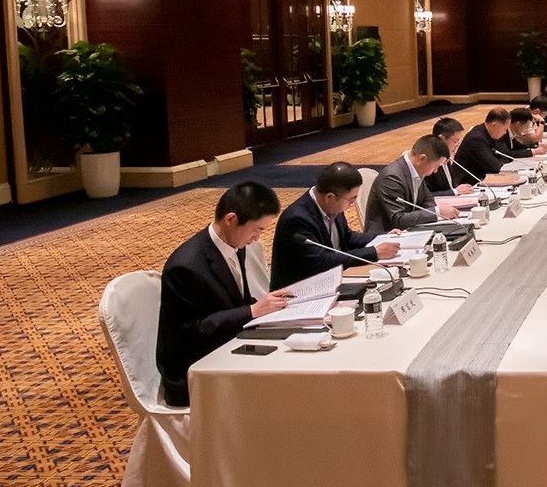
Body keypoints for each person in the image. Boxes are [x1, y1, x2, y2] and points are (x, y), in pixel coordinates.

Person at [157, 182, 292, 407]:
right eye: (257, 229)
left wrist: (271, 306)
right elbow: (189, 333)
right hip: (194, 372)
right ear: (230, 219)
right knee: (280, 387)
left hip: (228, 345)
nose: (257, 238)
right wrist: (252, 310)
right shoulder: (186, 266)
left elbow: (233, 301)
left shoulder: (234, 244)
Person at [270, 162, 402, 288]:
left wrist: (384, 236)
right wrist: (374, 253)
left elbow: (347, 238)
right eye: (351, 200)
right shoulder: (297, 219)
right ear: (330, 197)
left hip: (329, 281)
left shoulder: (332, 205)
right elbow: (321, 261)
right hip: (298, 292)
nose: (351, 205)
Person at [364, 134, 459, 234]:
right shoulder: (392, 177)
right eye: (436, 166)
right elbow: (399, 219)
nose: (435, 171)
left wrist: (425, 213)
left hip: (409, 231)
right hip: (384, 236)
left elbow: (428, 200)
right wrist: (437, 212)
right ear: (422, 158)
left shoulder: (418, 171)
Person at [454, 108, 513, 182]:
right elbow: (494, 167)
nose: (505, 133)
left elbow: (504, 156)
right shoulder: (476, 139)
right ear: (494, 125)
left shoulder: (489, 133)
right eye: (504, 129)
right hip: (467, 182)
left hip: (480, 177)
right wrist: (498, 161)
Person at [425, 117, 475, 197]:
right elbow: (425, 196)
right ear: (442, 139)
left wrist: (459, 190)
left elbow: (450, 187)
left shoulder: (446, 158)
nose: (457, 145)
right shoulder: (429, 161)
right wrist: (454, 192)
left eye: (459, 141)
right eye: (455, 141)